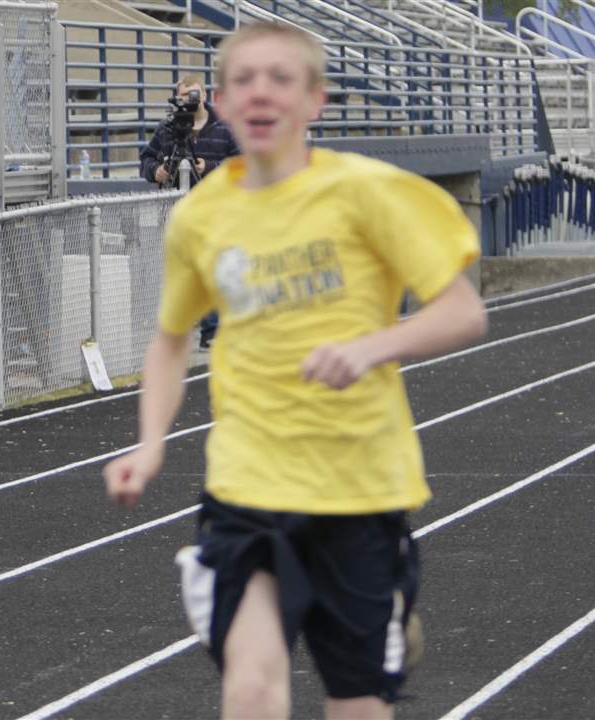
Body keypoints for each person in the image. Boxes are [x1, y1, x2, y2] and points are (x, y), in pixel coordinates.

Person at [104, 23, 487, 720]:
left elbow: (463, 312)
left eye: (280, 79)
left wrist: (371, 347)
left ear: (316, 100)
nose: (259, 93)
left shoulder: (368, 193)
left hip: (359, 489)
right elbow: (169, 339)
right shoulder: (202, 217)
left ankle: (384, 626)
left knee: (354, 705)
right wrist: (150, 443)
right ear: (217, 101)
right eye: (242, 80)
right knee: (250, 688)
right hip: (246, 487)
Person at [140, 76, 237, 349]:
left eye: (194, 95)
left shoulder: (225, 128)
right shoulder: (168, 130)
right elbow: (145, 160)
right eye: (184, 96)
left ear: (204, 96)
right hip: (177, 213)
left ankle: (212, 330)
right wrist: (156, 172)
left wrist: (210, 167)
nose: (189, 101)